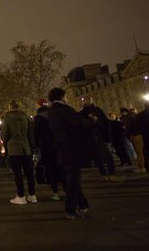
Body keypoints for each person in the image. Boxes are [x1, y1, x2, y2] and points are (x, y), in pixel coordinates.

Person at [47, 88, 94, 219]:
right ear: (62, 97)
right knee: (73, 179)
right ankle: (70, 209)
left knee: (71, 177)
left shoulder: (51, 111)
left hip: (61, 148)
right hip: (72, 147)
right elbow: (78, 122)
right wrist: (91, 120)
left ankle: (83, 203)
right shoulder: (64, 109)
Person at [3, 100, 36, 205]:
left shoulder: (7, 118)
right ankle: (32, 195)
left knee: (18, 175)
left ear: (10, 107)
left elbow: (5, 135)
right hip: (26, 148)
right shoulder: (26, 117)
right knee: (29, 174)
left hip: (14, 149)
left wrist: (6, 146)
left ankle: (21, 196)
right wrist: (31, 146)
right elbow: (31, 134)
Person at [80, 97, 117, 181]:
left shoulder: (98, 110)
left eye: (89, 100)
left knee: (108, 154)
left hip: (100, 135)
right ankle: (103, 173)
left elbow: (105, 122)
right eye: (86, 100)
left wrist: (106, 133)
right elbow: (82, 126)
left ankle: (112, 173)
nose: (88, 101)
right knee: (97, 157)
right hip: (90, 137)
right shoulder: (82, 113)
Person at [34, 99, 62, 200]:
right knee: (60, 167)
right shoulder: (55, 115)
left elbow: (36, 134)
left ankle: (55, 192)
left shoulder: (38, 118)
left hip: (45, 146)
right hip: (58, 145)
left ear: (38, 105)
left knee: (50, 168)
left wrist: (36, 145)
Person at [121, 107, 149, 172]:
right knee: (145, 151)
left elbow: (128, 128)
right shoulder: (137, 115)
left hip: (135, 135)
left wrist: (128, 136)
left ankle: (142, 167)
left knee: (139, 152)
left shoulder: (127, 117)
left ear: (124, 112)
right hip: (142, 134)